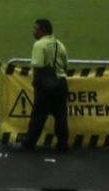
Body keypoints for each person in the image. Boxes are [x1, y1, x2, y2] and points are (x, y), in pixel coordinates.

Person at [21, 18, 71, 152]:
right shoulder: (59, 44)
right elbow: (65, 65)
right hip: (61, 83)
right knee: (61, 116)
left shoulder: (39, 45)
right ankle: (62, 144)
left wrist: (36, 83)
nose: (33, 31)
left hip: (45, 86)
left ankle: (28, 144)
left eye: (35, 28)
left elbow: (37, 67)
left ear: (43, 30)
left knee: (38, 116)